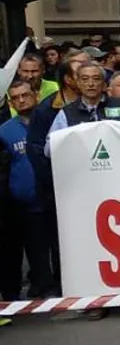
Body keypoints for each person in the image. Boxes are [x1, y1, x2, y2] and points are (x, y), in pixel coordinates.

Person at [0, 80, 53, 301]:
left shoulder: (50, 122)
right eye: (16, 97)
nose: (22, 100)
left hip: (51, 195)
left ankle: (54, 285)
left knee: (55, 248)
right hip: (21, 203)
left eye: (25, 95)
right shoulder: (4, 131)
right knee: (30, 249)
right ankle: (34, 287)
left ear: (36, 95)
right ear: (11, 102)